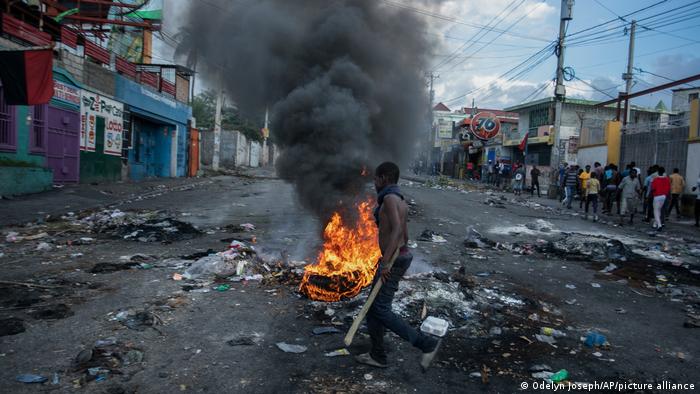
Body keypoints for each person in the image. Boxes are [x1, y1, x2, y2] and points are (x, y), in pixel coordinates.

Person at [356, 162, 439, 370]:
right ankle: (377, 354)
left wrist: (386, 262)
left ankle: (425, 343)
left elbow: (395, 232)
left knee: (380, 309)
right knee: (374, 309)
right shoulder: (400, 199)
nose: (374, 183)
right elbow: (406, 235)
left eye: (376, 179)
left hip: (392, 260)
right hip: (398, 257)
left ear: (384, 178)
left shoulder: (391, 199)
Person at [650, 166, 670, 231]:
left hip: (657, 196)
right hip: (664, 196)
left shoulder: (655, 180)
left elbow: (653, 189)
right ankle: (655, 224)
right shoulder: (667, 179)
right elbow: (668, 189)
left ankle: (659, 225)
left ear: (658, 172)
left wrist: (650, 196)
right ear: (664, 172)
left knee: (656, 211)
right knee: (659, 210)